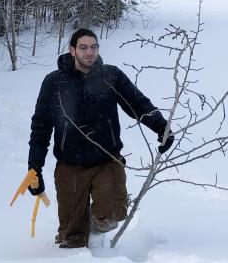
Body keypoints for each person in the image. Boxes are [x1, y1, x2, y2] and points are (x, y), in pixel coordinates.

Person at [26, 27, 174, 248]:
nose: (89, 52)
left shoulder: (110, 76)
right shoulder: (54, 82)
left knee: (111, 214)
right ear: (72, 50)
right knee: (71, 237)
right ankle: (76, 248)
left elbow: (137, 103)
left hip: (107, 159)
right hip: (70, 164)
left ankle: (95, 237)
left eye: (94, 47)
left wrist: (161, 127)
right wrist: (34, 168)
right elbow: (41, 126)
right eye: (83, 47)